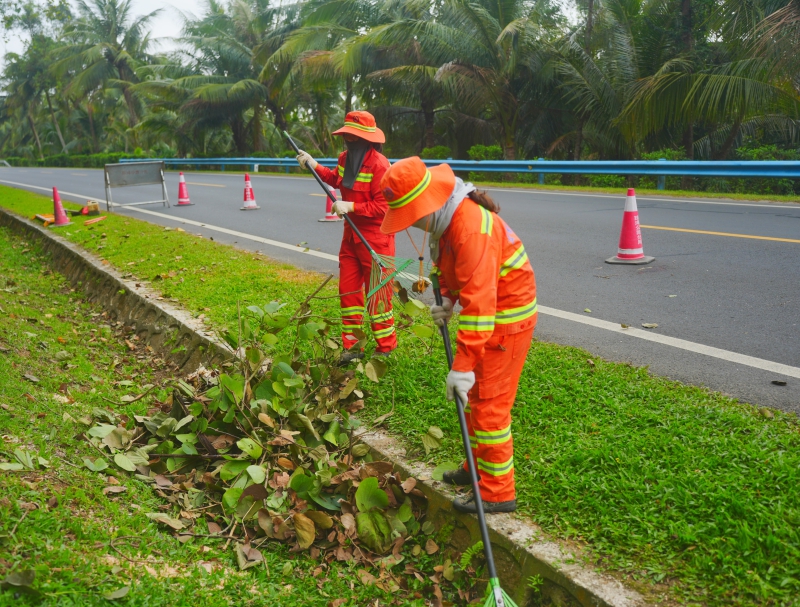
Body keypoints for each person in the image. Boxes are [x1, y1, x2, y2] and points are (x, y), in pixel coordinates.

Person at [379, 156, 537, 513]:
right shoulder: (448, 222)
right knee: (472, 400)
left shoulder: (469, 228)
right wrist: (448, 298)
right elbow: (449, 265)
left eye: (411, 216)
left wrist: (463, 364)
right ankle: (475, 466)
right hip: (491, 314)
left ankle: (497, 491)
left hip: (506, 320)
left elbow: (481, 307)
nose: (413, 226)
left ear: (427, 205)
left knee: (489, 407)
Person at [295, 111, 397, 363]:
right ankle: (353, 348)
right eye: (347, 135)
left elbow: (384, 207)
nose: (349, 140)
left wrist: (351, 207)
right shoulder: (344, 158)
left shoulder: (380, 165)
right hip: (351, 238)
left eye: (354, 135)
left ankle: (386, 347)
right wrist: (313, 164)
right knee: (348, 293)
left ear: (366, 138)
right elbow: (335, 179)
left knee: (378, 296)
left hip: (376, 240)